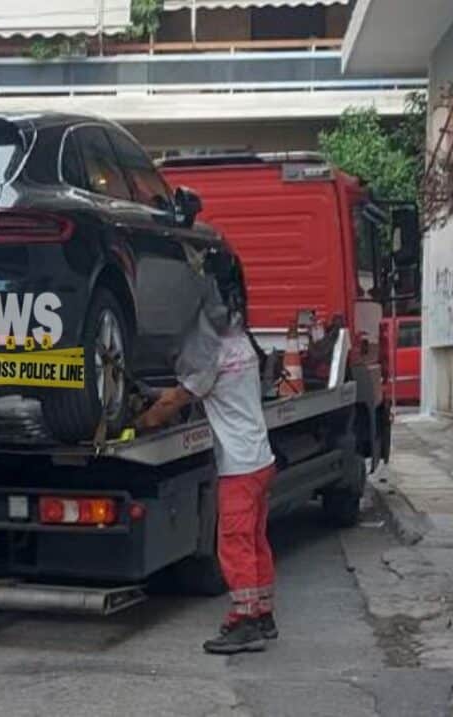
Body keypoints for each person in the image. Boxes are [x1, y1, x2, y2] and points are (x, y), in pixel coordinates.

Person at [135, 253, 277, 655]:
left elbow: (176, 401)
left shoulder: (210, 351)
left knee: (233, 544)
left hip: (239, 468)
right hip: (261, 460)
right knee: (255, 541)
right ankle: (263, 614)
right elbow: (195, 388)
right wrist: (160, 394)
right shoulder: (239, 340)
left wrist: (140, 423)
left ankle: (244, 622)